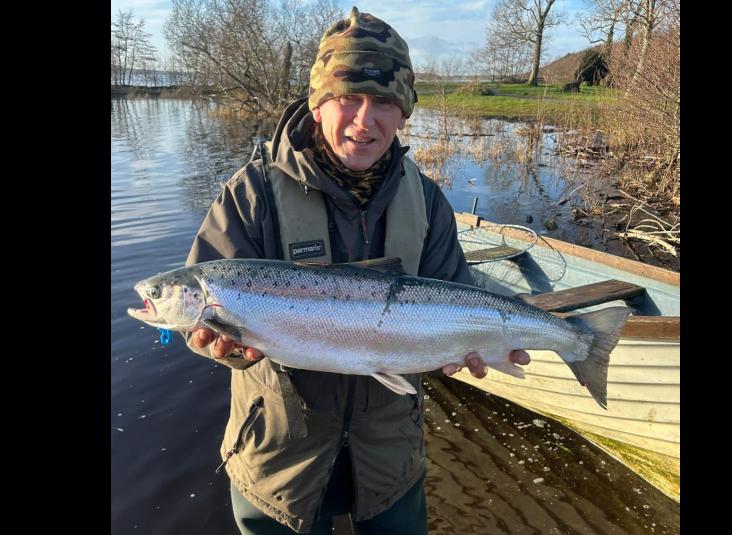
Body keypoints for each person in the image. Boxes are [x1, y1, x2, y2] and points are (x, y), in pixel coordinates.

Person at [183, 7, 529, 534]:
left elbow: (456, 293)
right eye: (347, 98)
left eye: (385, 102)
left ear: (404, 112)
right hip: (279, 462)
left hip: (390, 458)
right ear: (318, 106)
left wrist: (474, 348)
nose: (365, 121)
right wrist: (216, 345)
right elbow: (199, 322)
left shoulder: (428, 201)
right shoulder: (250, 194)